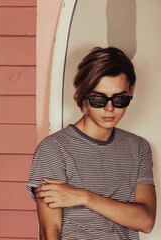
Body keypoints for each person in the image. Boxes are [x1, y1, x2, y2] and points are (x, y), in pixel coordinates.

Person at [26, 47, 156, 239]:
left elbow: (145, 221)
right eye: (98, 99)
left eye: (120, 99)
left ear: (131, 91)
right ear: (84, 94)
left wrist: (83, 197)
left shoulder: (138, 148)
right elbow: (48, 233)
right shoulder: (53, 150)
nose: (109, 108)